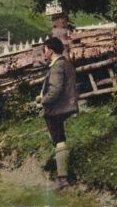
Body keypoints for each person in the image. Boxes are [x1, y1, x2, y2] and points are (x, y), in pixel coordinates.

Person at [36, 36, 78, 190]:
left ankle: (62, 178)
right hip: (64, 106)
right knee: (59, 139)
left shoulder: (57, 67)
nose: (44, 53)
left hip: (56, 109)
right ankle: (60, 171)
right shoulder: (66, 64)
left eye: (45, 50)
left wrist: (43, 100)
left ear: (50, 51)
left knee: (58, 140)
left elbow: (55, 90)